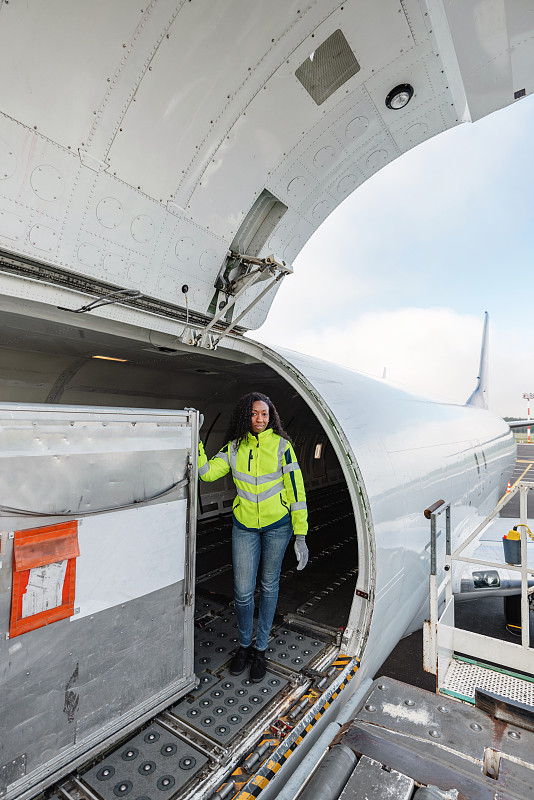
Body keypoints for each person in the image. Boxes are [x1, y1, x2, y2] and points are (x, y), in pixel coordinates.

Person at [198, 392, 309, 682]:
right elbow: (206, 473)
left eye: (264, 414)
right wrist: (195, 439)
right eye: (254, 413)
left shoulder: (282, 446)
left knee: (269, 586)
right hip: (245, 526)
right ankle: (245, 645)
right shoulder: (234, 448)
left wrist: (300, 533)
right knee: (243, 592)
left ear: (271, 417)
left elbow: (296, 490)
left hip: (278, 526)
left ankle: (260, 649)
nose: (260, 419)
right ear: (245, 415)